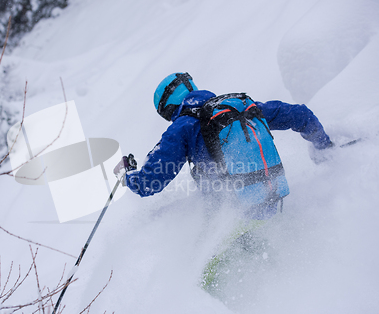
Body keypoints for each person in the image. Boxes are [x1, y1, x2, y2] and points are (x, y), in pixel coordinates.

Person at [113, 72, 334, 220]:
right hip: (273, 199)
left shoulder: (183, 126)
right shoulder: (239, 108)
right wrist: (324, 146)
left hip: (232, 214)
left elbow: (150, 182)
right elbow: (300, 115)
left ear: (168, 107)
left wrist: (127, 176)